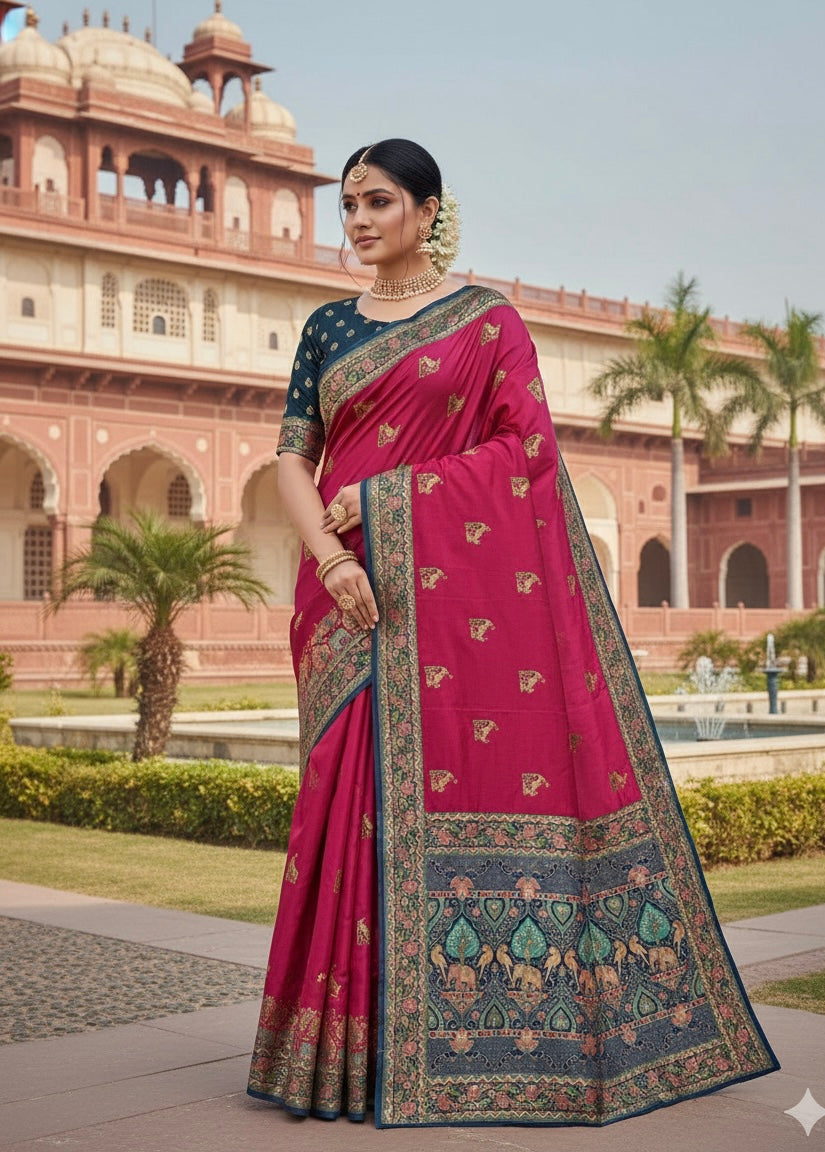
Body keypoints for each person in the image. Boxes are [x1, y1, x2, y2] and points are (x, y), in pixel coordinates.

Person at [246, 138, 779, 1128]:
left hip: (441, 596)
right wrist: (328, 551)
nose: (357, 220)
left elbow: (525, 455)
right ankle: (337, 1057)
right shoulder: (326, 328)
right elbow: (291, 457)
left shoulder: (486, 322)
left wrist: (392, 497)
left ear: (427, 209)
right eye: (348, 204)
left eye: (378, 201)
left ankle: (458, 1044)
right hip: (345, 594)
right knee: (337, 803)